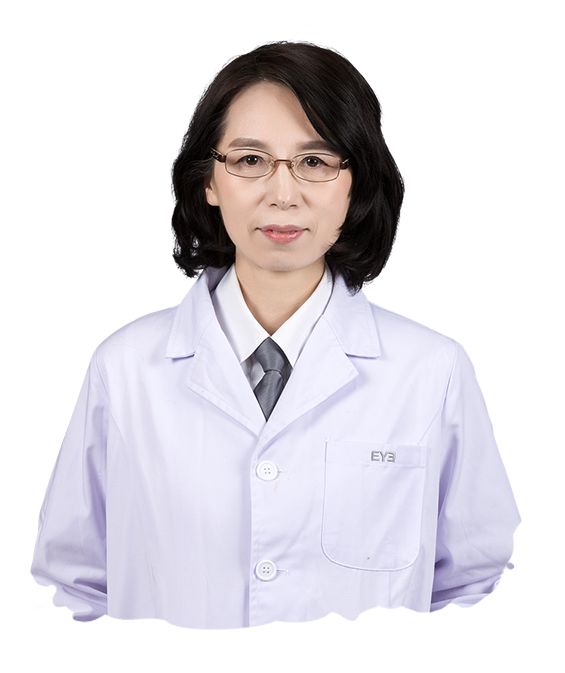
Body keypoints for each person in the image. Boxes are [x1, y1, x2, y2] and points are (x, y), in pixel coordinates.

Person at [30, 40, 521, 629]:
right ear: (209, 181)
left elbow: (478, 591)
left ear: (355, 184)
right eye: (249, 160)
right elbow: (70, 590)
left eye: (315, 162)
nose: (283, 194)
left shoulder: (431, 372)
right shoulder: (127, 368)